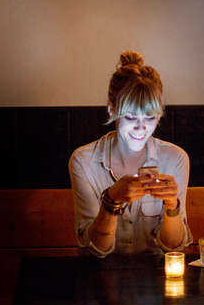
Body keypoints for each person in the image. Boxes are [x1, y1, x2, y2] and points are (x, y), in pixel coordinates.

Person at [69, 51, 193, 258]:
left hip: (157, 280)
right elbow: (95, 249)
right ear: (111, 109)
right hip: (99, 279)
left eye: (150, 118)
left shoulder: (175, 159)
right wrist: (110, 202)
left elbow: (174, 247)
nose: (141, 128)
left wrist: (172, 204)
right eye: (130, 117)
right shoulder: (84, 161)